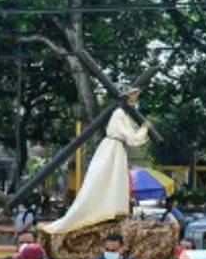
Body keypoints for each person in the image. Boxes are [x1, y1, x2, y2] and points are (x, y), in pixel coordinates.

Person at [42, 89, 150, 235]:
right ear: (126, 99)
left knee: (113, 182)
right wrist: (145, 129)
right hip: (112, 150)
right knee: (103, 180)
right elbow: (132, 138)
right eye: (132, 98)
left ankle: (109, 212)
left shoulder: (122, 115)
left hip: (116, 150)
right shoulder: (119, 114)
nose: (134, 101)